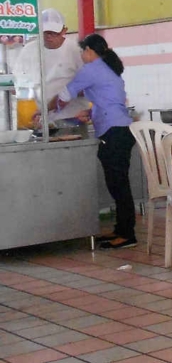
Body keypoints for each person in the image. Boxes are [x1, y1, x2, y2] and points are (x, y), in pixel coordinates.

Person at [50, 34, 136, 249]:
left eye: (83, 51)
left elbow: (64, 95)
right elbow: (108, 99)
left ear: (89, 50)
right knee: (117, 183)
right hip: (120, 130)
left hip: (114, 132)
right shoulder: (108, 68)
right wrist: (91, 112)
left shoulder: (92, 68)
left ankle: (127, 235)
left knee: (118, 185)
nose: (81, 55)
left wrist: (44, 109)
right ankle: (121, 229)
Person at [12, 8, 89, 123]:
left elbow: (87, 85)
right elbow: (18, 83)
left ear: (64, 31)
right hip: (40, 119)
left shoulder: (76, 50)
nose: (49, 37)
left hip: (73, 117)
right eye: (45, 32)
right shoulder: (29, 50)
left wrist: (60, 100)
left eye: (54, 33)